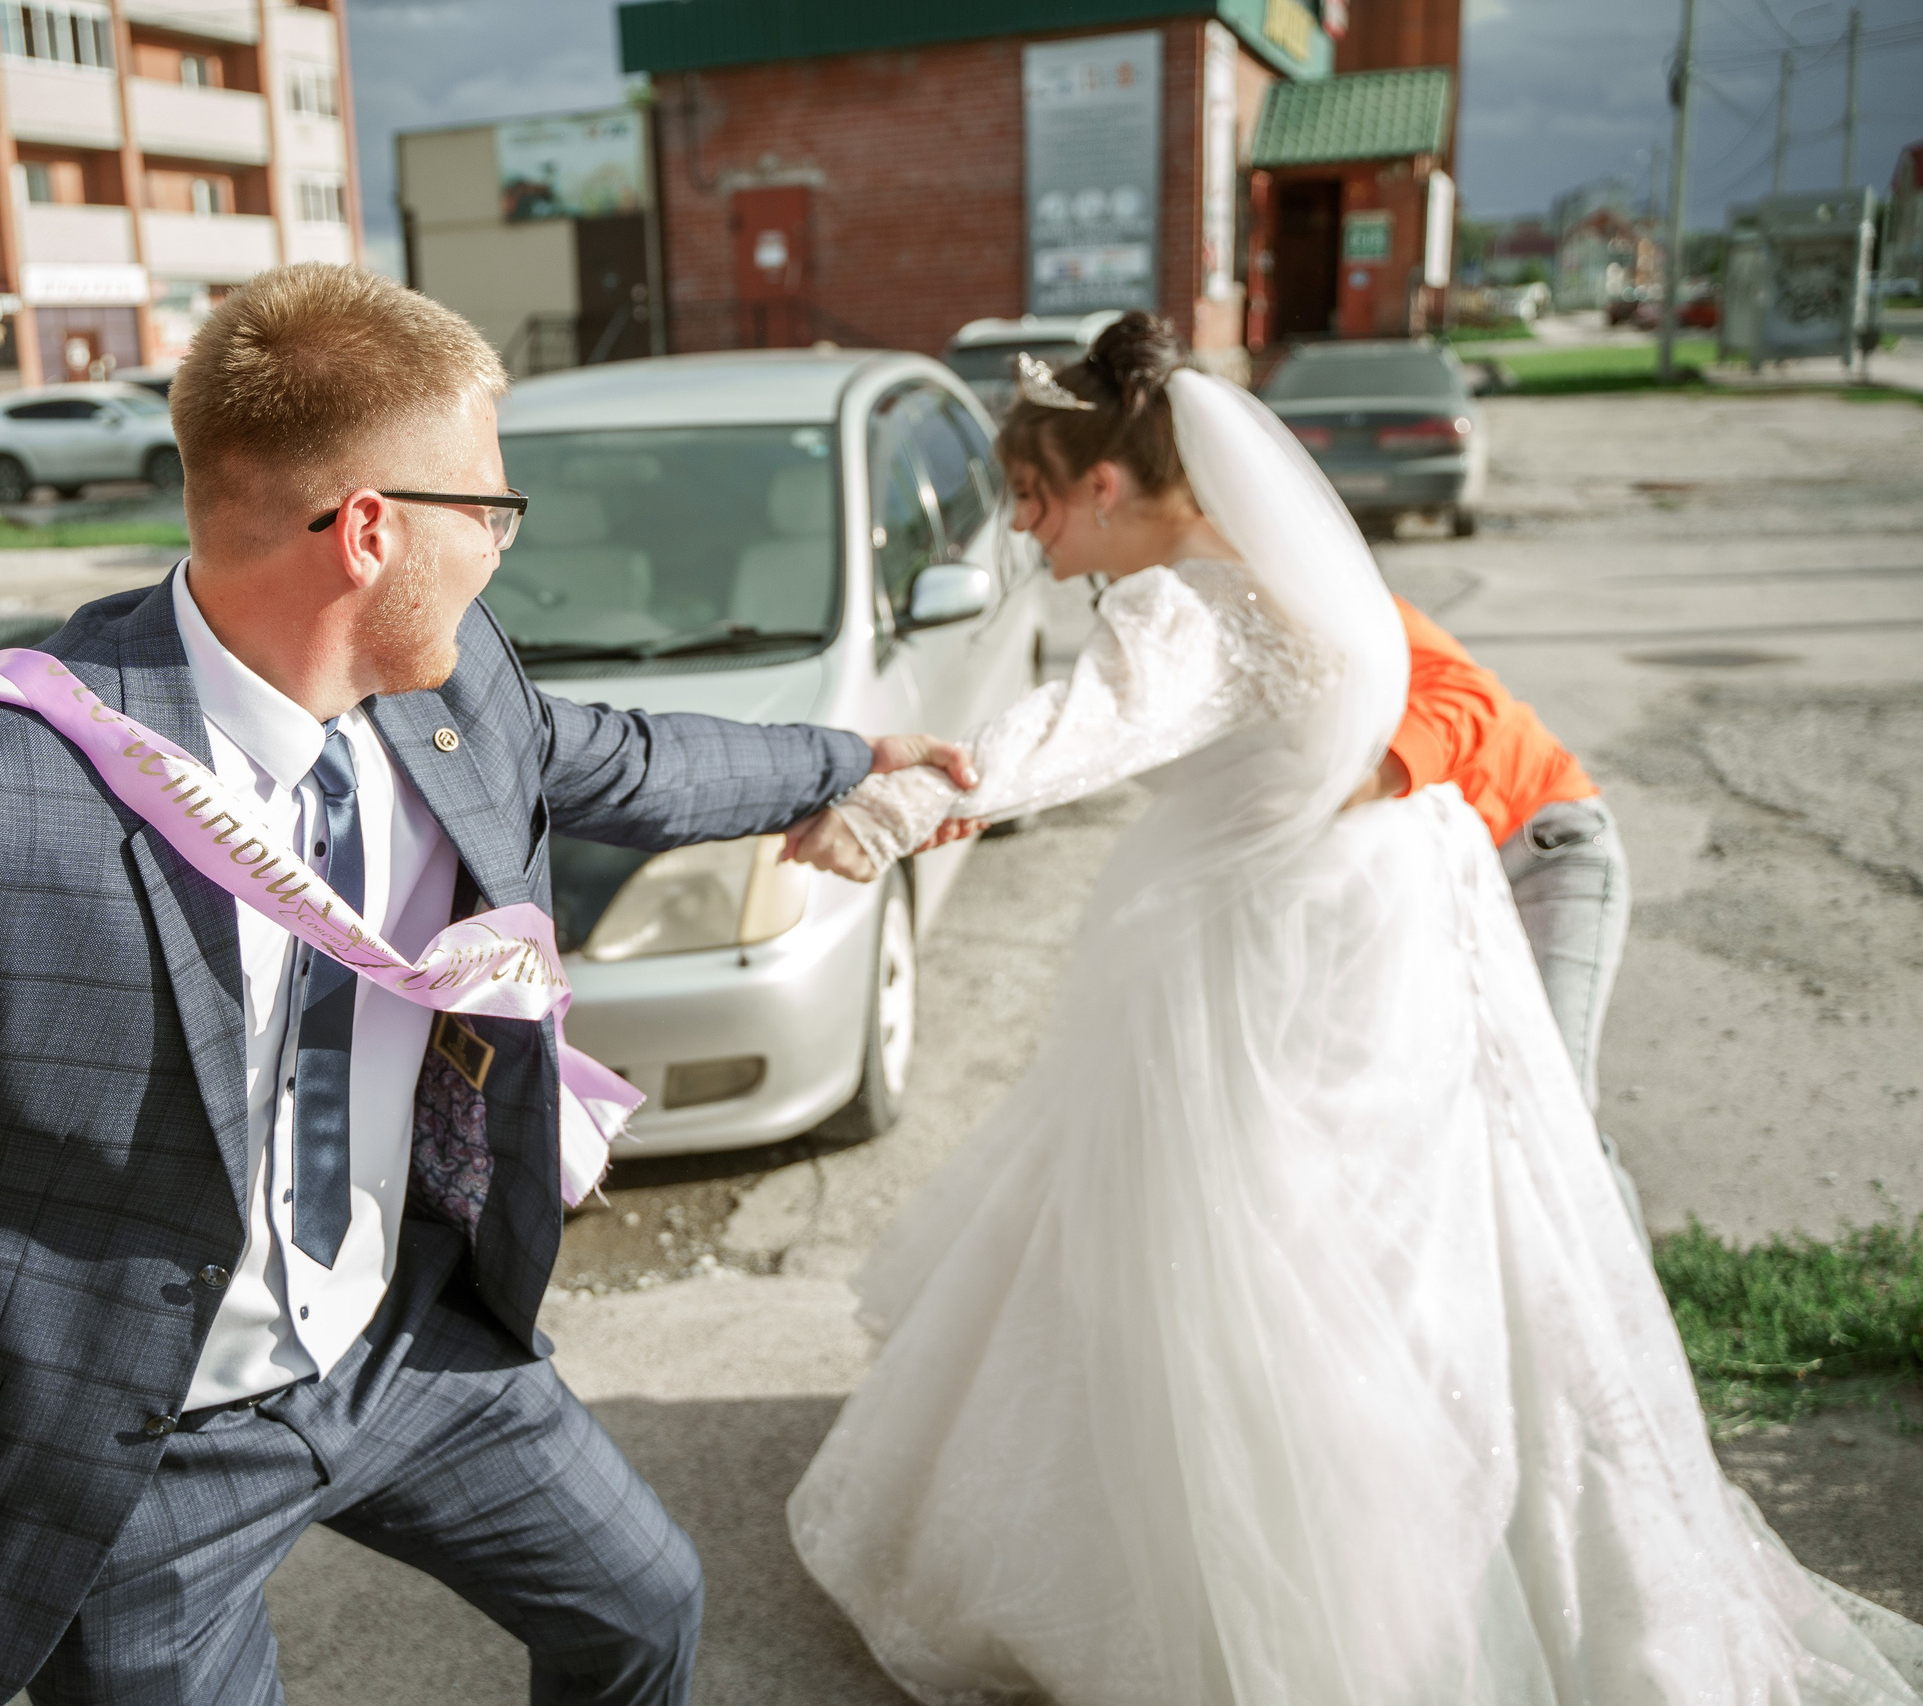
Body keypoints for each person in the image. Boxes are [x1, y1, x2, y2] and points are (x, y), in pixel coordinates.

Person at [0, 264, 972, 1706]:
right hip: (131, 1450)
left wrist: (847, 763)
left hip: (402, 1345)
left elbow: (615, 752)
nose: (501, 537)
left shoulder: (450, 683)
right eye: (488, 502)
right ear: (368, 529)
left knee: (645, 1610)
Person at [782, 315, 1923, 1705]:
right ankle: (1528, 1498)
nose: (1027, 536)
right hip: (1383, 941)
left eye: (1031, 497)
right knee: (1430, 1239)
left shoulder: (1179, 600)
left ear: (1104, 481)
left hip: (1436, 901)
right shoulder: (1293, 580)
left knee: (1291, 1252)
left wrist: (894, 808)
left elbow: (1078, 729)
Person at [1350, 598, 1646, 1227]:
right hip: (1435, 892)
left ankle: (1631, 1313)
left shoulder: (1333, 593)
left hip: (1543, 857)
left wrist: (1361, 782)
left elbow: (1470, 697)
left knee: (1551, 1112)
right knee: (1443, 1112)